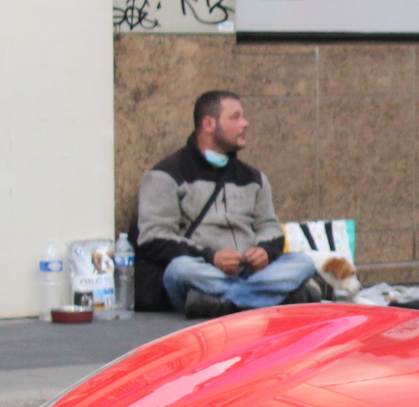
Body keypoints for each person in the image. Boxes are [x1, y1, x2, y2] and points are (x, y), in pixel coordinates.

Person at [135, 92, 323, 319]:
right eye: (235, 118)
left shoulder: (254, 178)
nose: (245, 124)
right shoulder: (166, 175)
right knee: (179, 269)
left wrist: (264, 251)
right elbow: (153, 237)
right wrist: (210, 257)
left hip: (252, 274)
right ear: (209, 124)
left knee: (302, 262)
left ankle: (225, 304)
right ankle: (271, 298)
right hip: (203, 275)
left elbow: (270, 228)